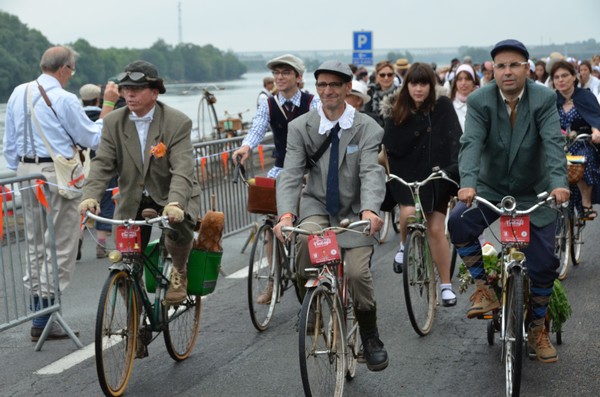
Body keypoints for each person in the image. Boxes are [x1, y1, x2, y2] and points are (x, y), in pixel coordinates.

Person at [448, 39, 569, 363]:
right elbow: (471, 143)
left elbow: (553, 143)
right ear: (492, 70)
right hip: (489, 187)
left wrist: (559, 184)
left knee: (544, 264)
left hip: (535, 189)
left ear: (527, 68)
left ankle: (538, 327)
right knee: (458, 221)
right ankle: (484, 288)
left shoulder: (543, 98)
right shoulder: (479, 100)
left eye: (515, 64)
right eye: (501, 66)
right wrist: (468, 184)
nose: (508, 71)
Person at [273, 61, 389, 372]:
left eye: (334, 85)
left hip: (355, 211)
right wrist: (285, 214)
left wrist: (370, 210)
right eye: (322, 85)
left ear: (347, 88)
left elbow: (371, 172)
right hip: (317, 207)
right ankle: (310, 308)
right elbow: (291, 172)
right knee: (302, 246)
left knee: (355, 272)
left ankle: (370, 335)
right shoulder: (301, 127)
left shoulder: (367, 127)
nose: (328, 91)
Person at [3, 45, 119, 341]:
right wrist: (108, 107)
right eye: (71, 70)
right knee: (61, 246)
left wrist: (24, 167)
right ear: (64, 69)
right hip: (56, 178)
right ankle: (44, 318)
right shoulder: (64, 99)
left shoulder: (19, 92)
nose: (71, 76)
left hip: (26, 176)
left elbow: (10, 147)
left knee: (35, 244)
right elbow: (91, 136)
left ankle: (37, 312)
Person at [79, 60, 201, 311]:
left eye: (137, 89)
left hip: (171, 193)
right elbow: (102, 163)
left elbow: (182, 168)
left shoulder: (177, 122)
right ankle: (137, 318)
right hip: (133, 198)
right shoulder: (114, 122)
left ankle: (179, 270)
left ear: (154, 92)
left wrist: (176, 203)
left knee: (178, 226)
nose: (129, 94)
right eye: (125, 89)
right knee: (125, 261)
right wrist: (90, 195)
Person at [381, 62, 462, 307]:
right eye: (414, 83)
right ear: (407, 85)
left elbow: (455, 139)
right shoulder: (397, 109)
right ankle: (404, 244)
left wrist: (452, 170)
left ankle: (446, 285)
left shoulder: (443, 106)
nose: (418, 89)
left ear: (431, 85)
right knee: (407, 212)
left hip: (437, 176)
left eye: (423, 83)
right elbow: (389, 147)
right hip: (406, 174)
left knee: (436, 228)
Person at [233, 54, 318, 179]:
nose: (279, 77)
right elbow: (258, 128)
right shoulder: (268, 104)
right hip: (281, 169)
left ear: (299, 77)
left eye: (286, 73)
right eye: (276, 73)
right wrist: (246, 146)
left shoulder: (313, 103)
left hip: (310, 170)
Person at [551, 59, 600, 219]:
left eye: (565, 75)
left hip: (581, 142)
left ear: (574, 77)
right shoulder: (551, 100)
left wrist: (596, 131)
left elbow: (595, 118)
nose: (561, 80)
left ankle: (586, 203)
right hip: (556, 145)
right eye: (557, 77)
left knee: (583, 158)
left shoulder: (585, 96)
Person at [77, 83, 120, 260]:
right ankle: (100, 245)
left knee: (80, 204)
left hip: (78, 169)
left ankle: (77, 238)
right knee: (105, 203)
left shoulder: (76, 118)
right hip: (101, 167)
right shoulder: (107, 117)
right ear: (98, 99)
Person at [364, 60, 398, 126]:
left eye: (389, 74)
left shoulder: (400, 93)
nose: (386, 78)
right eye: (382, 75)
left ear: (394, 76)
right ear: (377, 76)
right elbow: (367, 115)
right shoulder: (370, 92)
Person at [450, 64, 480, 132]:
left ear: (473, 82)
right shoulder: (450, 106)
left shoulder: (481, 104)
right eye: (460, 79)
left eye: (467, 79)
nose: (463, 83)